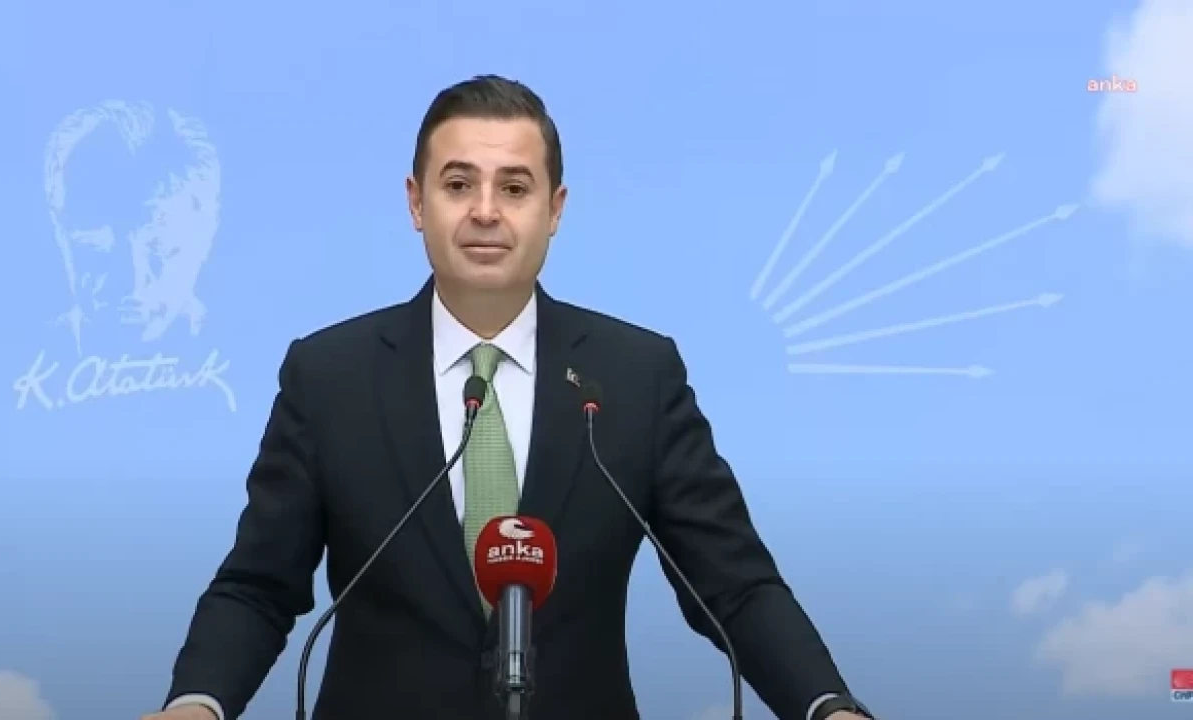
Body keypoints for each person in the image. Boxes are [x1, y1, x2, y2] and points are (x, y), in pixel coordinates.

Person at [143, 75, 875, 720]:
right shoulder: (330, 376)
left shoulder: (635, 376)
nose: (486, 211)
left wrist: (827, 706)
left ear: (554, 209)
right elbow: (258, 587)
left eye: (515, 188)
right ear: (416, 202)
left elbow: (735, 586)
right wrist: (196, 704)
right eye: (459, 185)